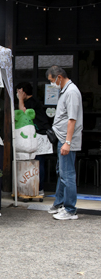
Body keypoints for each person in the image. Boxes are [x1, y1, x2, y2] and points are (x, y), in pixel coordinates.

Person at [46, 66, 83, 220]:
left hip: (67, 140)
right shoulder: (66, 91)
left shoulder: (72, 92)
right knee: (62, 173)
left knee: (67, 175)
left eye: (52, 80)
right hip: (62, 138)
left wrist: (68, 142)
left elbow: (72, 119)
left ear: (59, 77)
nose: (52, 83)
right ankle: (60, 203)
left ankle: (70, 209)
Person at [16, 81, 51, 196]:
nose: (17, 94)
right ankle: (33, 188)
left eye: (18, 92)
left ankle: (39, 189)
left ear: (23, 92)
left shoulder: (32, 102)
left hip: (40, 136)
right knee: (36, 162)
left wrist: (20, 99)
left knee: (38, 163)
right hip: (36, 136)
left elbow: (23, 114)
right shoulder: (32, 101)